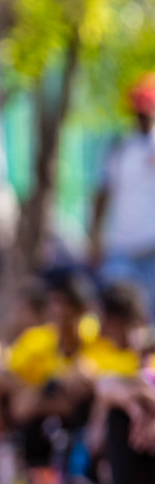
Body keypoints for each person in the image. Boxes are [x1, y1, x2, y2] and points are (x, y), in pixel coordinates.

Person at [64, 282, 155, 484]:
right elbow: (106, 386)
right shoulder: (104, 355)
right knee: (118, 411)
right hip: (130, 444)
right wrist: (137, 405)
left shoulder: (144, 356)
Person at [89, 74, 155, 315]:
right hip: (122, 245)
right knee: (117, 308)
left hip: (152, 245)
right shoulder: (120, 147)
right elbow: (102, 193)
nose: (142, 116)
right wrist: (94, 238)